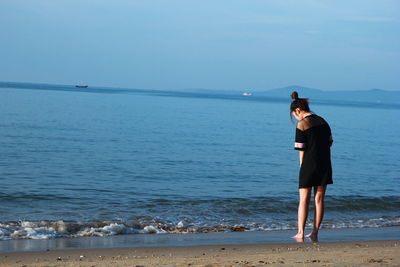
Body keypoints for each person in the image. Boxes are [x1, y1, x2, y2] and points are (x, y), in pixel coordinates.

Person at [290, 91, 333, 242]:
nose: (296, 117)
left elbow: (301, 150)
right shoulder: (323, 121)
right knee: (319, 199)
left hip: (309, 164)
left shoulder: (302, 124)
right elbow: (330, 142)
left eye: (294, 115)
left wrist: (302, 167)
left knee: (304, 200)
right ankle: (314, 232)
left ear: (298, 110)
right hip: (325, 163)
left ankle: (301, 232)